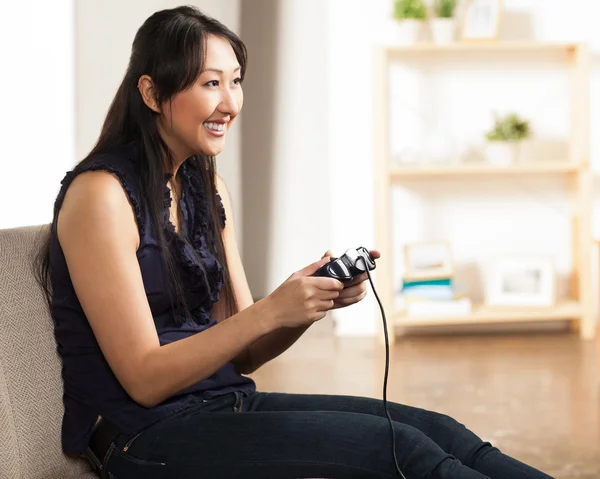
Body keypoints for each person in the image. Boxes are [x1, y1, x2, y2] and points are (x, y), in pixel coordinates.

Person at [35, 6, 554, 479]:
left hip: (222, 405)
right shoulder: (100, 196)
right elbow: (144, 379)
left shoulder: (205, 187)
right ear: (151, 93)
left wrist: (302, 306)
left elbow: (245, 355)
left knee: (441, 431)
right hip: (143, 438)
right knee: (404, 452)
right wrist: (267, 311)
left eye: (235, 82)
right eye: (210, 83)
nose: (230, 103)